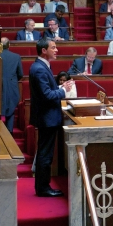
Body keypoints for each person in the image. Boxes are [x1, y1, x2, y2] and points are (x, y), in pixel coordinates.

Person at [29, 38, 73, 197]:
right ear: (43, 50)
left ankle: (43, 186)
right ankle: (43, 188)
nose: (56, 50)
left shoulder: (42, 66)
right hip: (46, 118)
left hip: (47, 117)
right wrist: (63, 91)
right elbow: (46, 95)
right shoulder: (40, 69)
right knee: (45, 154)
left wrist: (61, 87)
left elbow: (47, 91)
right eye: (53, 47)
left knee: (45, 153)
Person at [0, 37, 23, 133]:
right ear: (9, 45)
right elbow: (20, 74)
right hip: (12, 85)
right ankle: (9, 132)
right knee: (11, 109)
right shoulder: (16, 56)